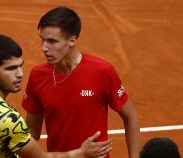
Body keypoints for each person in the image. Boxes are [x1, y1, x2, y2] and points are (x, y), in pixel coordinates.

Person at [0, 34, 113, 158]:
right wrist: (82, 153)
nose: (20, 74)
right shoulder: (8, 119)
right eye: (11, 69)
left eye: (20, 66)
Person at [22, 6, 140, 158]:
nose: (44, 47)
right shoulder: (37, 76)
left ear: (72, 41)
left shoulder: (102, 71)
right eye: (43, 40)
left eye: (52, 41)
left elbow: (130, 116)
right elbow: (32, 132)